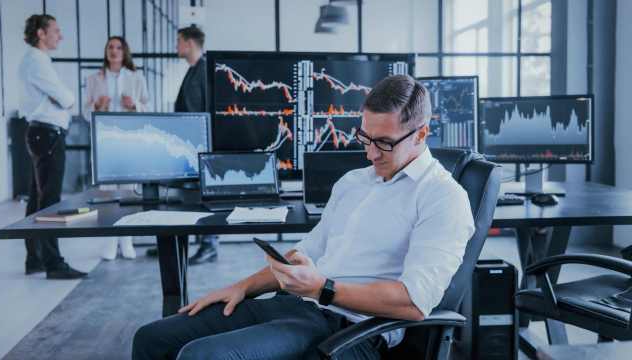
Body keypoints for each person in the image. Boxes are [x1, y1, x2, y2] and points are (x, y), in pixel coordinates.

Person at [132, 75, 476, 359]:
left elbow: (414, 303)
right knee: (151, 339)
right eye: (365, 138)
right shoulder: (353, 182)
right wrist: (240, 287)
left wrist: (323, 289)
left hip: (353, 331)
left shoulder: (443, 198)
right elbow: (307, 253)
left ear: (421, 134)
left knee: (201, 356)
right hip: (299, 306)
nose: (370, 153)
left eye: (384, 143)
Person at [19, 14, 87, 279]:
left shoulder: (36, 60)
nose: (61, 36)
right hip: (47, 135)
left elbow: (61, 98)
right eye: (56, 31)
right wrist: (63, 96)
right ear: (40, 33)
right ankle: (53, 263)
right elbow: (67, 98)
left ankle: (35, 258)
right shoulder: (36, 61)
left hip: (43, 134)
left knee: (38, 199)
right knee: (49, 202)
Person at [147, 25, 217, 265]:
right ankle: (183, 244)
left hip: (201, 145)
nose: (176, 46)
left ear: (189, 43)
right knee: (189, 196)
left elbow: (207, 109)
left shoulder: (204, 69)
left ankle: (209, 246)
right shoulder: (193, 69)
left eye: (179, 41)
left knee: (202, 196)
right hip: (189, 144)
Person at [83, 36, 149, 260]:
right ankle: (110, 241)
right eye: (110, 47)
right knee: (108, 194)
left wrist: (135, 105)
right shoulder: (94, 79)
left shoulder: (136, 78)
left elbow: (148, 108)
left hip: (129, 140)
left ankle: (126, 240)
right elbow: (85, 113)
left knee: (129, 192)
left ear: (124, 52)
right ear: (105, 51)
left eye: (118, 47)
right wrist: (97, 106)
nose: (114, 51)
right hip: (105, 141)